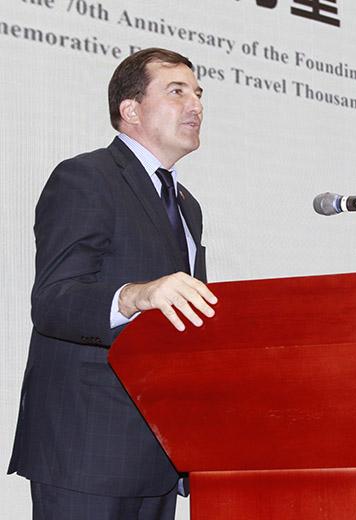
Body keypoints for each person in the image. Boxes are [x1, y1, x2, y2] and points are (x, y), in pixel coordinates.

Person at [7, 47, 218, 520]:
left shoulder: (187, 205)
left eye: (199, 93)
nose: (196, 105)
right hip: (88, 449)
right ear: (131, 110)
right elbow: (54, 302)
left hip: (160, 450)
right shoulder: (87, 177)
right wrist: (136, 294)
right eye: (177, 91)